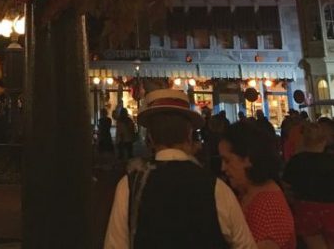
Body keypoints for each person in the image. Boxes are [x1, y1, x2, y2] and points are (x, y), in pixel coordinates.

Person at [103, 88, 257, 249]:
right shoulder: (216, 188)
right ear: (189, 135)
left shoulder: (129, 186)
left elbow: (115, 245)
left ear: (150, 138)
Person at [219, 121, 296, 249]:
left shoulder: (266, 207)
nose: (223, 167)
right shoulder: (254, 193)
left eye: (227, 160)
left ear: (247, 159)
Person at [283, 121, 334, 248]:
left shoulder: (295, 161)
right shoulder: (330, 161)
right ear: (324, 141)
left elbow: (286, 187)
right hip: (330, 211)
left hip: (304, 212)